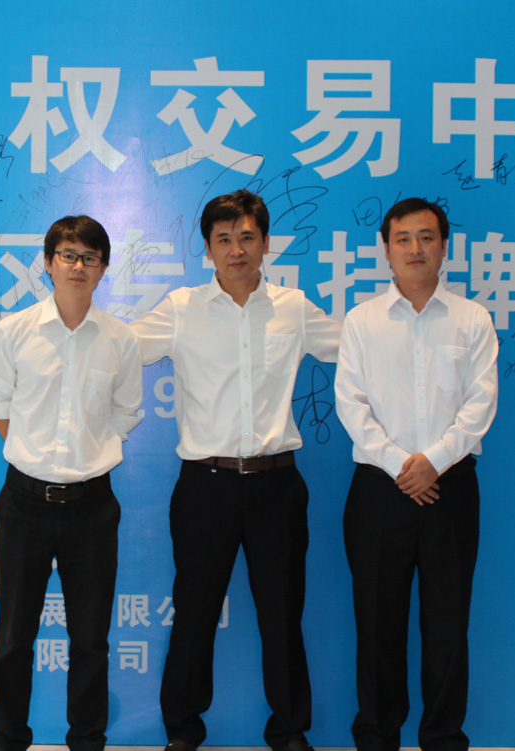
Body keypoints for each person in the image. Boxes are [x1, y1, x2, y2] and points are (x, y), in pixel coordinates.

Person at [130, 189, 340, 751]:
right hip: (206, 485)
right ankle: (182, 729)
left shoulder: (294, 308)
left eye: (247, 237)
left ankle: (289, 730)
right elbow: (120, 348)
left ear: (266, 243)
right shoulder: (181, 309)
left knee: (282, 614)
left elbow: (358, 349)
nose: (236, 249)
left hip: (277, 484)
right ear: (208, 248)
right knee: (194, 613)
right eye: (223, 239)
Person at [334, 198, 498, 751]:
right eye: (402, 239)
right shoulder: (361, 322)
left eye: (426, 237)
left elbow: (480, 403)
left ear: (444, 246)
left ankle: (443, 737)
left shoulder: (472, 319)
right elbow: (351, 404)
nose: (415, 248)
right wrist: (400, 465)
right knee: (377, 621)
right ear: (386, 249)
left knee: (448, 624)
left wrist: (434, 462)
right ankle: (377, 735)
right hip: (380, 490)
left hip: (451, 488)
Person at [0, 215, 143, 751]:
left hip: (92, 507)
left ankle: (87, 740)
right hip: (23, 503)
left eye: (89, 258)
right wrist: (37, 456)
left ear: (103, 268)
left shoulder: (120, 339)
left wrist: (84, 457)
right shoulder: (13, 332)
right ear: (48, 263)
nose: (78, 266)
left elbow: (125, 412)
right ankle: (9, 739)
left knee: (91, 640)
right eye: (68, 255)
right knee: (13, 637)